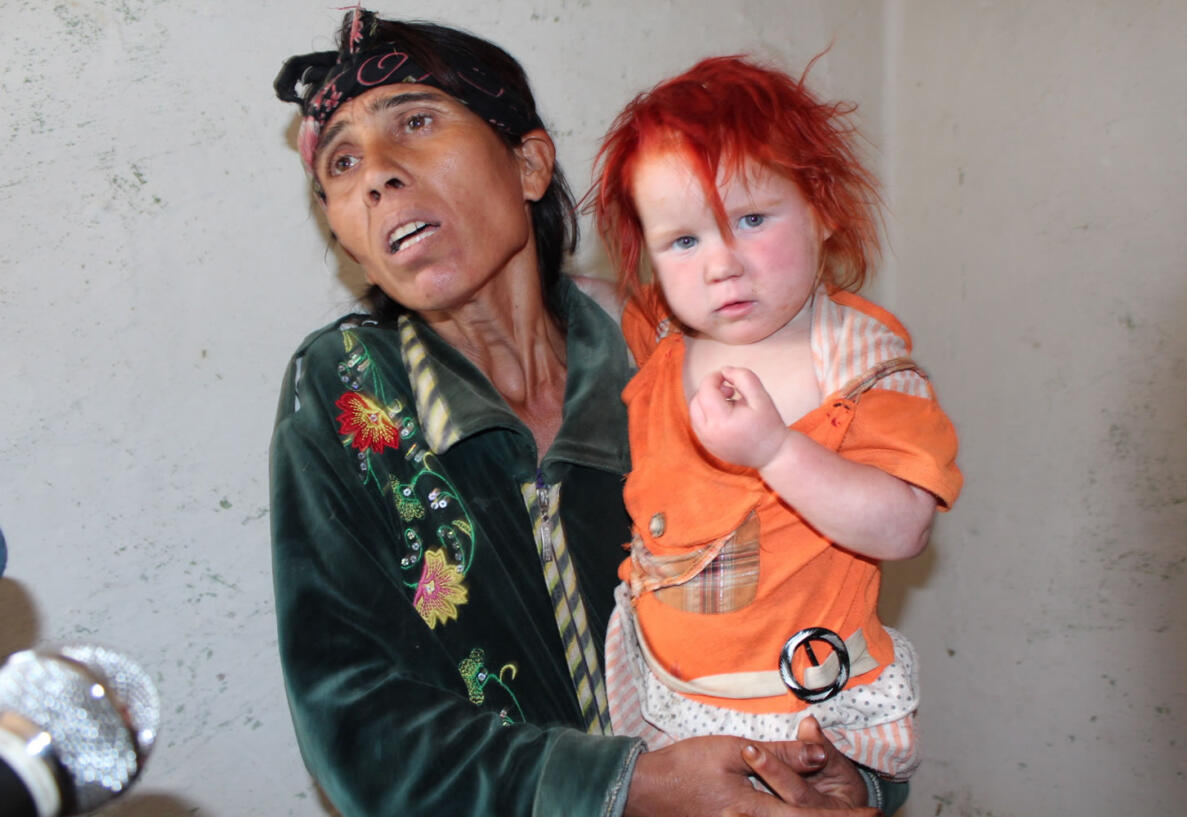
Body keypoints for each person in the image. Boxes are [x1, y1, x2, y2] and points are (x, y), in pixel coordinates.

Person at [269, 10, 896, 817]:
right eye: (343, 164)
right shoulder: (348, 391)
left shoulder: (684, 358)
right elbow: (354, 721)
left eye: (415, 122)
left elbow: (817, 591)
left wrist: (847, 760)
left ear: (529, 163)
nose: (376, 176)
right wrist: (628, 785)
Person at [589, 57, 962, 781]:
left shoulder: (865, 368)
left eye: (752, 220)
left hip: (803, 717)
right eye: (683, 241)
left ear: (822, 206)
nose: (721, 264)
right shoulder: (662, 336)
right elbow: (581, 300)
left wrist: (775, 450)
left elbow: (904, 526)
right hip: (667, 700)